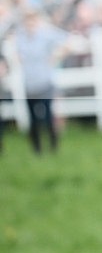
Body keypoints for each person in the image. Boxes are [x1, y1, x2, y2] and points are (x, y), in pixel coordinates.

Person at [15, 8, 67, 154]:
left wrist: (56, 57)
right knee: (33, 119)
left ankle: (53, 147)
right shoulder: (21, 37)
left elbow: (66, 40)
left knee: (48, 116)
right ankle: (37, 150)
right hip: (30, 83)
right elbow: (19, 55)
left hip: (45, 82)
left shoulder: (46, 35)